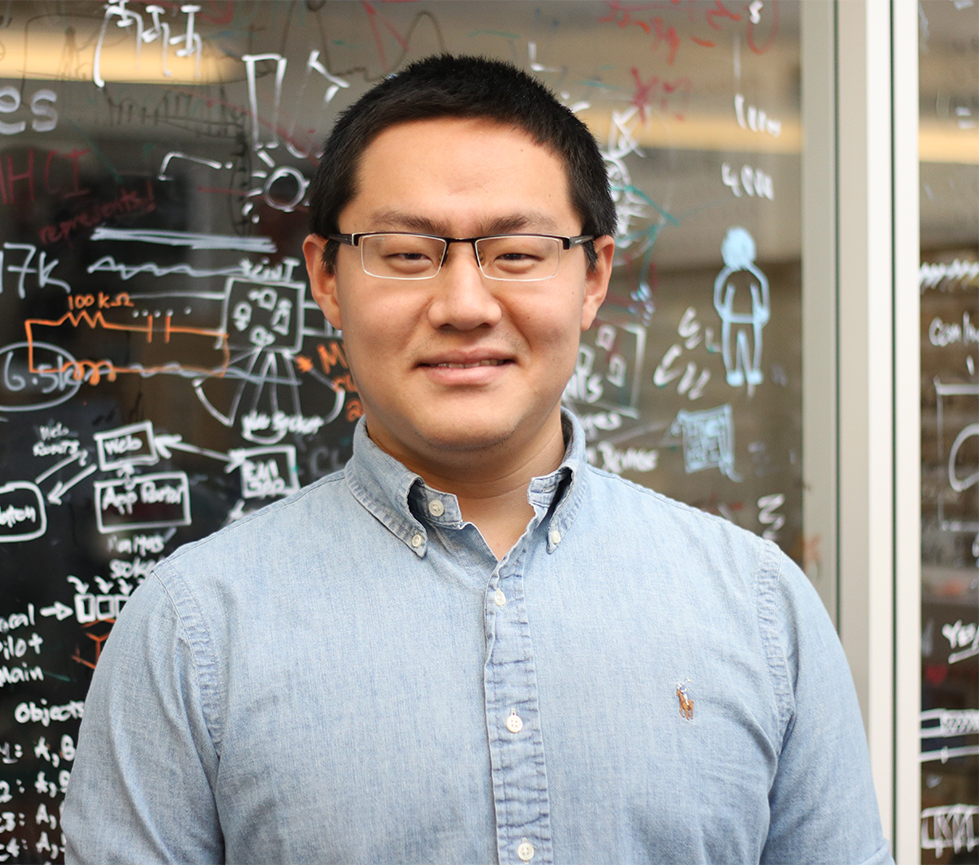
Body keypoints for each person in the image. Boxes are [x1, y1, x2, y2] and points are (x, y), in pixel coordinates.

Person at [63, 54, 894, 864]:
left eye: (517, 253)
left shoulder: (758, 609)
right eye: (406, 252)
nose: (464, 305)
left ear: (593, 273)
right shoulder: (193, 630)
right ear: (326, 274)